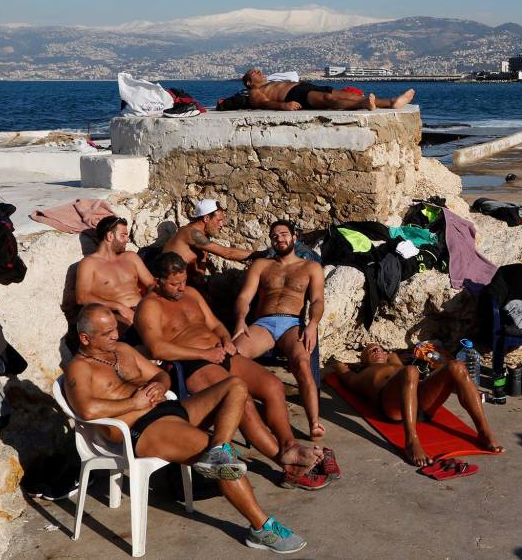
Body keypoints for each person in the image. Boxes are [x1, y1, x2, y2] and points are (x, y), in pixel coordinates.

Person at [64, 304, 306, 553]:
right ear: (85, 338)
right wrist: (133, 402)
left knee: (235, 386)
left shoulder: (123, 350)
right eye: (107, 333)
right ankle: (261, 528)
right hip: (142, 429)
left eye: (115, 329)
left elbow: (161, 375)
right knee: (226, 466)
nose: (116, 335)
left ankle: (219, 447)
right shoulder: (79, 368)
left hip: (168, 409)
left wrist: (159, 384)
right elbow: (87, 410)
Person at [135, 252, 333, 488]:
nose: (181, 288)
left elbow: (216, 324)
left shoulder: (191, 294)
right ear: (157, 281)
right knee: (243, 400)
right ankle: (285, 463)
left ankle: (289, 446)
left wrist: (226, 339)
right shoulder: (149, 306)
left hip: (219, 354)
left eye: (184, 281)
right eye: (174, 284)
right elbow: (157, 348)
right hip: (192, 364)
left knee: (273, 385)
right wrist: (205, 354)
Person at [330, 344, 503, 467]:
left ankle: (483, 431)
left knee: (456, 366)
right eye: (371, 350)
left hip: (420, 399)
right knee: (411, 371)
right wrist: (350, 365)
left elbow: (395, 354)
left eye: (380, 348)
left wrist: (389, 355)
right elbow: (340, 368)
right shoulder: (362, 376)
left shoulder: (395, 362)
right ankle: (412, 441)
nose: (377, 350)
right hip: (393, 406)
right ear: (363, 361)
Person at [233, 220, 325, 439]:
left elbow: (318, 300)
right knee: (234, 357)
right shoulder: (261, 265)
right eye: (275, 236)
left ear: (295, 237)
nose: (279, 239)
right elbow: (245, 296)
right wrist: (240, 319)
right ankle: (245, 414)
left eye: (284, 234)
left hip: (292, 323)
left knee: (302, 363)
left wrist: (312, 325)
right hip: (263, 323)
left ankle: (314, 422)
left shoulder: (310, 267)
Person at [75, 216, 154, 340]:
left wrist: (151, 305)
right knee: (136, 334)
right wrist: (119, 307)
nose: (127, 240)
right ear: (110, 236)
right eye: (123, 235)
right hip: (116, 314)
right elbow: (82, 297)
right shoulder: (89, 264)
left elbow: (151, 284)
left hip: (143, 308)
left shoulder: (131, 257)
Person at [162, 199, 254, 285]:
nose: (222, 224)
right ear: (206, 218)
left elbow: (202, 260)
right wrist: (261, 254)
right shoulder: (191, 233)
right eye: (218, 220)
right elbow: (227, 253)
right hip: (170, 286)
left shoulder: (203, 235)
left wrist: (201, 276)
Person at [241, 68, 415, 112]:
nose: (258, 72)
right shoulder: (254, 92)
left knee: (347, 94)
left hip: (303, 87)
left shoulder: (271, 80)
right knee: (328, 99)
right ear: (249, 82)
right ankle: (364, 104)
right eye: (253, 73)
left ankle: (391, 102)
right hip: (293, 95)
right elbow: (263, 104)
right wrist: (283, 106)